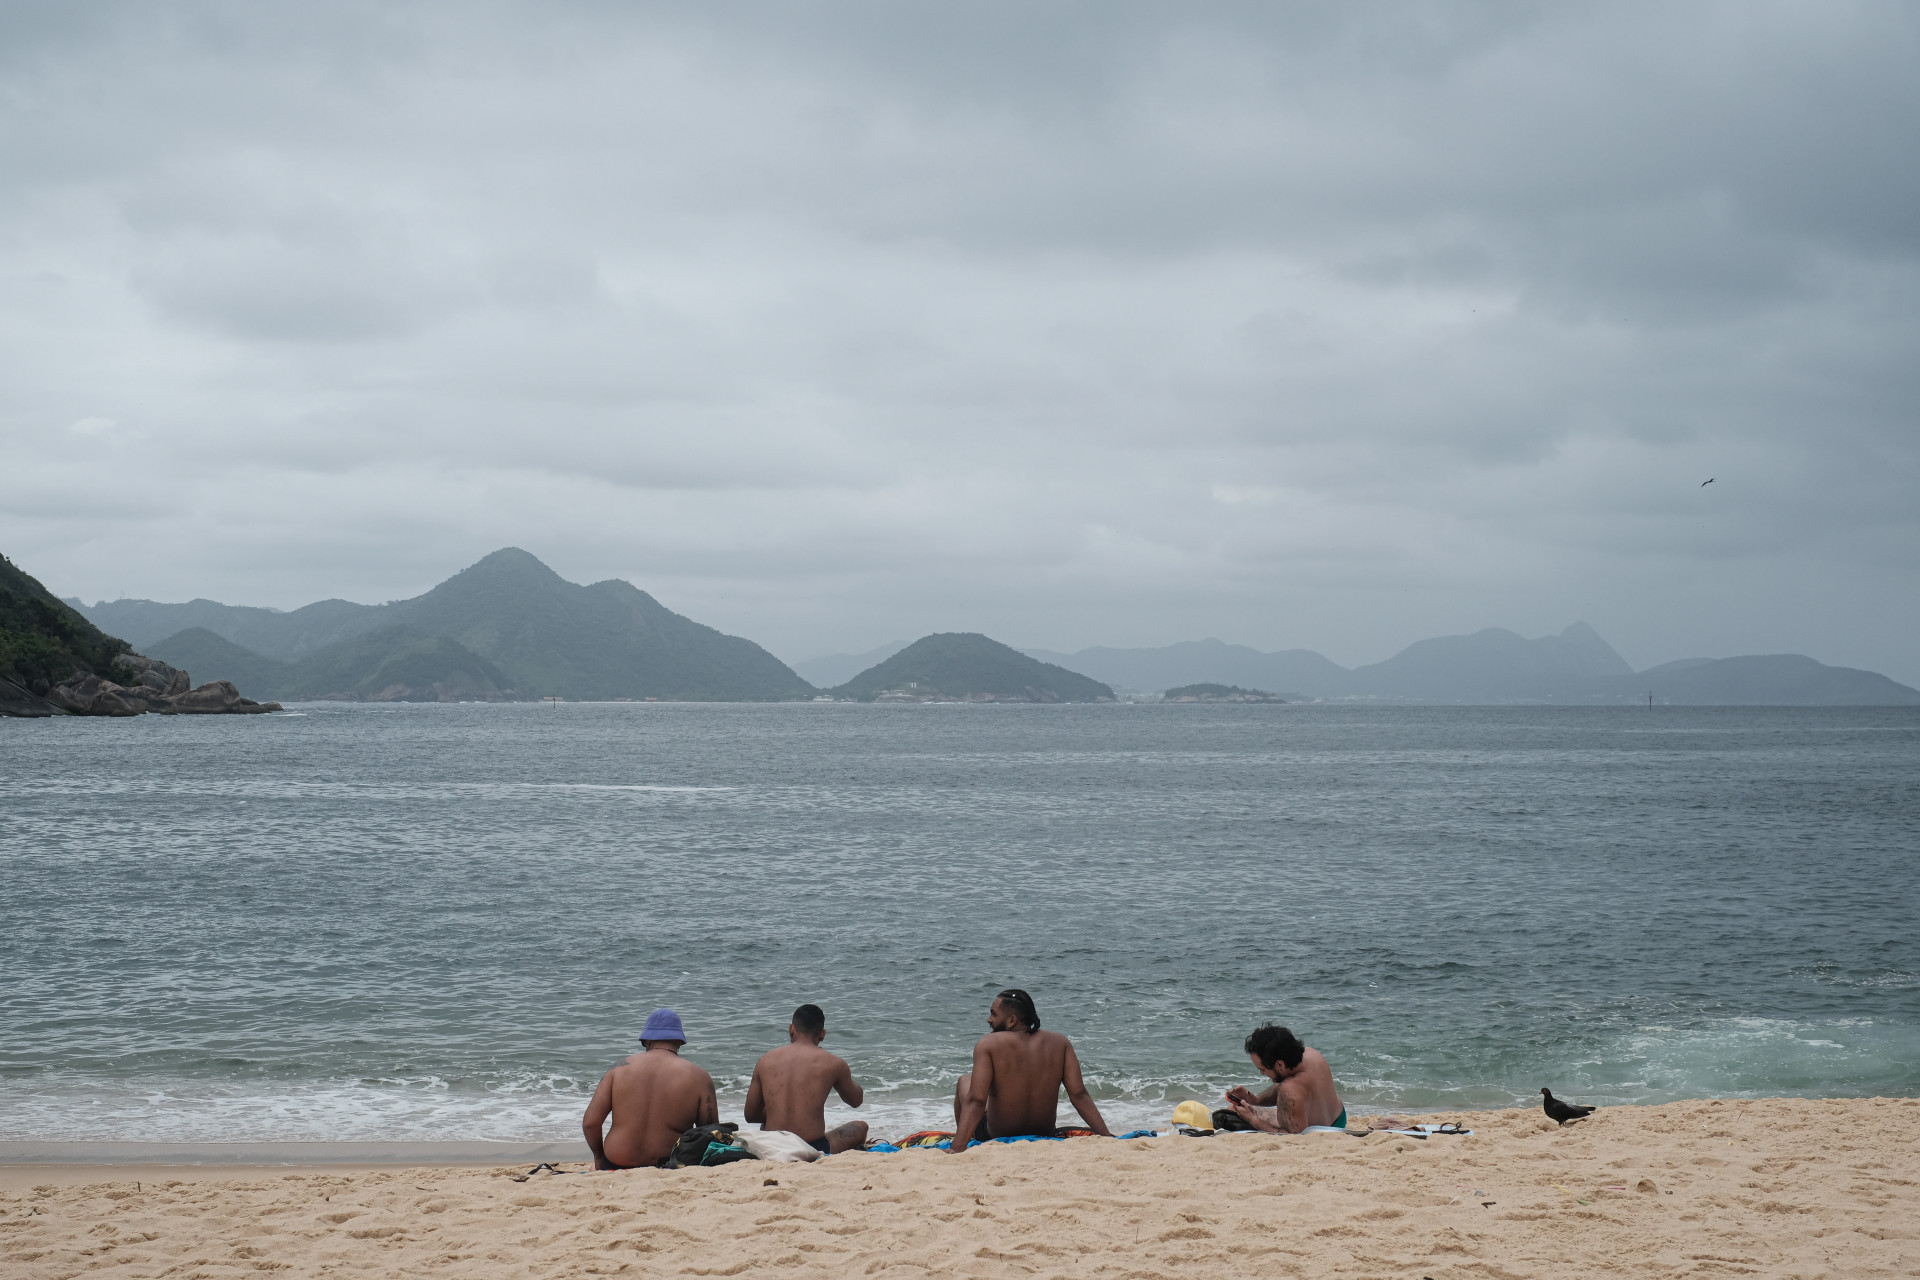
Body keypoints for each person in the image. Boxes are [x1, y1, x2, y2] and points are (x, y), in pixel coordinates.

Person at [950, 988, 1112, 1152]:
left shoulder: (988, 1043)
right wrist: (1106, 1136)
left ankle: (967, 1138)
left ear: (1011, 1020)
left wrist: (957, 1148)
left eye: (994, 1014)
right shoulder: (1060, 1042)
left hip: (996, 1134)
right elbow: (1079, 1094)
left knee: (965, 1080)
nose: (989, 1020)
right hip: (1044, 1132)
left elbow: (977, 1100)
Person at [582, 1008, 718, 1170]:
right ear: (680, 1041)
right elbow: (709, 1133)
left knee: (591, 1168)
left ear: (646, 1040)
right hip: (671, 1164)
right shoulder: (700, 1077)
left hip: (617, 1163)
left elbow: (590, 1123)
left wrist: (598, 1157)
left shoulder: (617, 1069)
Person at [743, 1003, 869, 1155]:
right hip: (811, 1146)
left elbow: (750, 1115)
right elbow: (856, 1101)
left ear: (791, 1029)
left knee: (766, 1122)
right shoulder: (833, 1063)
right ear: (822, 1034)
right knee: (861, 1127)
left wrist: (777, 1109)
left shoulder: (766, 1060)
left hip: (772, 1144)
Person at [1224, 1023, 1345, 1133]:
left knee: (1232, 1112)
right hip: (1338, 1119)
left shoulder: (1290, 1090)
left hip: (1317, 1131)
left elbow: (1293, 1136)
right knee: (1246, 1108)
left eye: (1263, 1069)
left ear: (1280, 1064)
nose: (1262, 1074)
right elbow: (1290, 1086)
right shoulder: (1311, 1054)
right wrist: (1256, 1100)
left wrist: (1254, 1120)